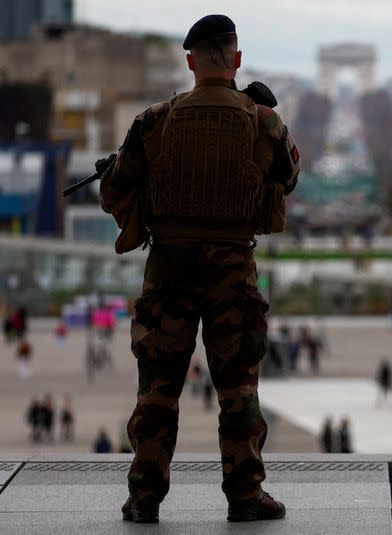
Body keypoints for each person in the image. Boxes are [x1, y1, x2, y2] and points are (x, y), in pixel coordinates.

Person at [100, 14, 301, 524]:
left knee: (157, 391)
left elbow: (113, 193)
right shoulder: (262, 120)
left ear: (190, 61)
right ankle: (245, 494)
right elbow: (290, 176)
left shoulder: (155, 120)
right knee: (238, 391)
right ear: (235, 58)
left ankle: (144, 498)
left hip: (168, 269)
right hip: (233, 270)